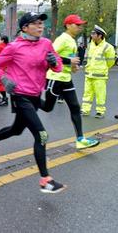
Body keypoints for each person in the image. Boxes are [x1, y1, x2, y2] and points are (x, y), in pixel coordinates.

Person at [0, 12, 66, 193]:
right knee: (41, 135)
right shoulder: (14, 47)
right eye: (36, 23)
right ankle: (45, 180)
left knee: (16, 130)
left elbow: (58, 65)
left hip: (36, 94)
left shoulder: (46, 44)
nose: (41, 26)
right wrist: (3, 80)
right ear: (25, 28)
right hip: (20, 95)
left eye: (42, 23)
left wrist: (54, 62)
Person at [40, 14, 99, 150]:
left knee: (75, 107)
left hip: (66, 79)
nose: (80, 27)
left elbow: (70, 59)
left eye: (80, 25)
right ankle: (29, 98)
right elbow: (48, 55)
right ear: (68, 25)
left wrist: (73, 67)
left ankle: (80, 139)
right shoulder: (62, 39)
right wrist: (69, 61)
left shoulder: (72, 40)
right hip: (55, 78)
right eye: (77, 25)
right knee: (48, 107)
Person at [81, 25, 115, 118]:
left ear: (100, 36)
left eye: (94, 33)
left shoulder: (108, 47)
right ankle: (85, 110)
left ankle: (100, 111)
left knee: (100, 94)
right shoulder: (90, 45)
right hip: (89, 74)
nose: (91, 35)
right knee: (87, 93)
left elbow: (110, 62)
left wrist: (103, 68)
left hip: (100, 75)